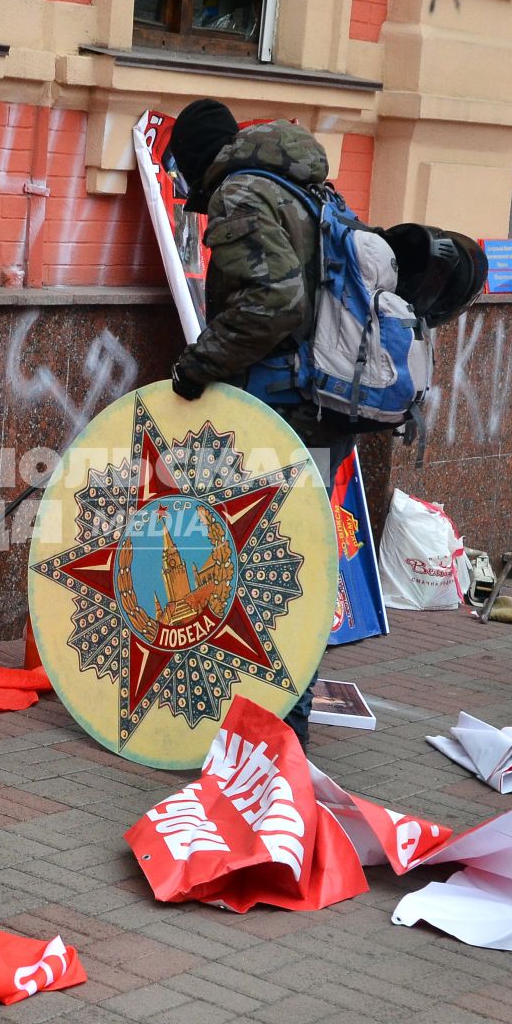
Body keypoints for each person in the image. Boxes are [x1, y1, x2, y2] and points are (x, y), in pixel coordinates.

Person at [163, 98, 349, 744]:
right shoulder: (301, 183)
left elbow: (273, 301)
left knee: (271, 553)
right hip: (324, 403)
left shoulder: (239, 196)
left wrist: (198, 364)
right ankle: (278, 717)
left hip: (285, 407)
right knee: (297, 556)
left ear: (194, 159)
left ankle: (277, 725)